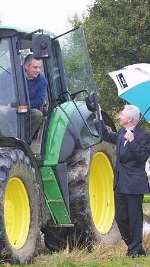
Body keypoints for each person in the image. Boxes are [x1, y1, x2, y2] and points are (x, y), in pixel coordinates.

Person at [100, 105, 150, 257]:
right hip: (120, 183)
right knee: (120, 217)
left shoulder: (143, 135)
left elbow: (142, 157)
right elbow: (105, 135)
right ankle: (133, 246)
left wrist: (133, 141)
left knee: (135, 218)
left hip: (134, 184)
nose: (119, 116)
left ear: (129, 119)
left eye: (121, 114)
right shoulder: (122, 132)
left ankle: (135, 249)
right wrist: (99, 115)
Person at [24, 54, 48, 140]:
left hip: (27, 109)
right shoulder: (11, 72)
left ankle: (23, 142)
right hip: (8, 107)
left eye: (39, 67)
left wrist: (20, 106)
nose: (38, 70)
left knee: (37, 114)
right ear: (26, 66)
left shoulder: (42, 80)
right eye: (35, 67)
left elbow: (39, 100)